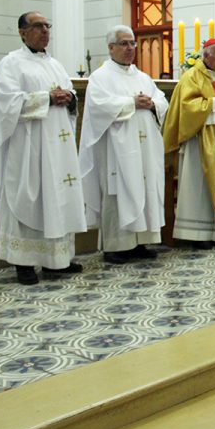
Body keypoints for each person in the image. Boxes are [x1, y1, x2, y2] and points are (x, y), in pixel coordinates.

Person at [0, 11, 87, 285]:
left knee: (56, 197)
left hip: (58, 147)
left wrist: (69, 97)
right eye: (38, 26)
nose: (45, 31)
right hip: (28, 147)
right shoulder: (12, 64)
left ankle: (56, 260)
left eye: (47, 26)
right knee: (27, 196)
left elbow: (70, 92)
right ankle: (23, 262)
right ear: (22, 32)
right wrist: (47, 98)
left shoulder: (55, 65)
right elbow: (6, 102)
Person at [79, 25, 167, 264]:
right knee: (118, 191)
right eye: (125, 44)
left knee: (145, 188)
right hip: (117, 150)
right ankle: (115, 245)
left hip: (144, 147)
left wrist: (152, 103)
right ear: (111, 48)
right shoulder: (101, 77)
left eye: (133, 44)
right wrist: (131, 103)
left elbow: (162, 100)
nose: (130, 48)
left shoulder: (142, 76)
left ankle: (140, 242)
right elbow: (98, 106)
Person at [163, 37, 215, 246]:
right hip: (200, 144)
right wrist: (214, 103)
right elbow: (186, 107)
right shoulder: (191, 77)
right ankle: (198, 234)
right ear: (206, 55)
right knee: (199, 186)